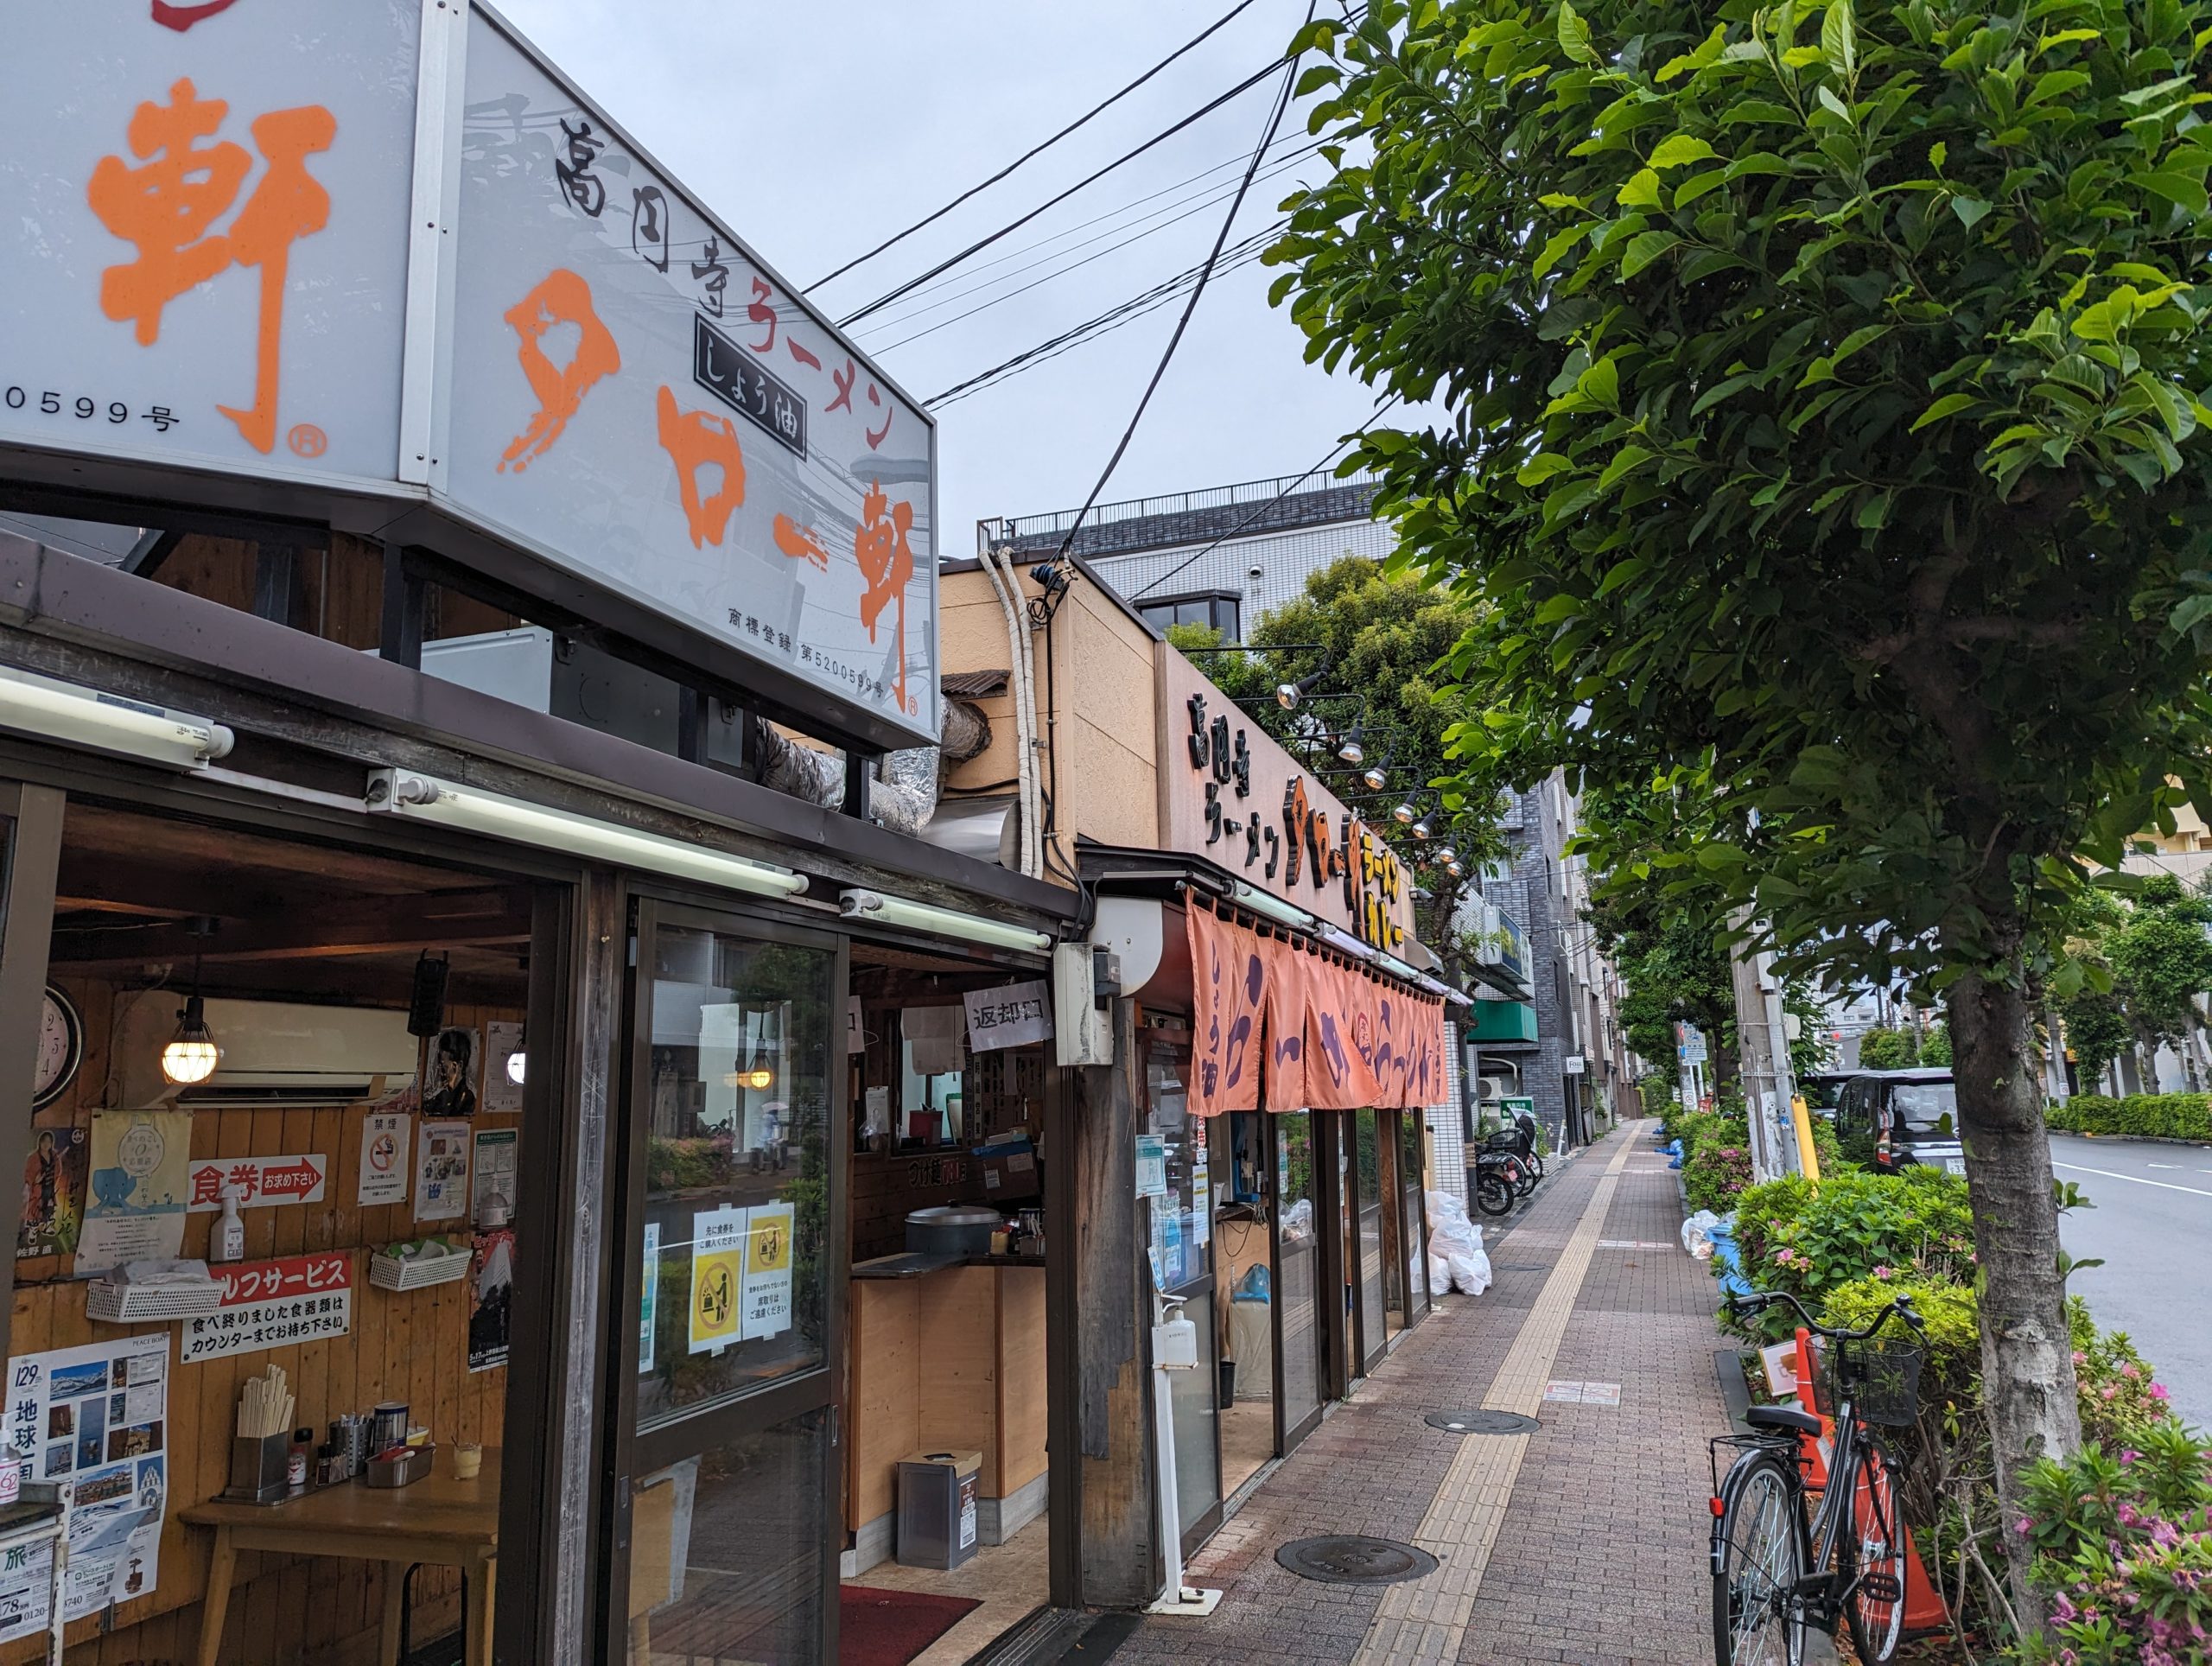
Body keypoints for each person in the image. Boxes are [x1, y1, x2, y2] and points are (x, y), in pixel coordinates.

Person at [423, 1028, 478, 1118]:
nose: (439, 1069)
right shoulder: (437, 1096)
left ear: (456, 1066)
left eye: (444, 1066)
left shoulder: (468, 1099)